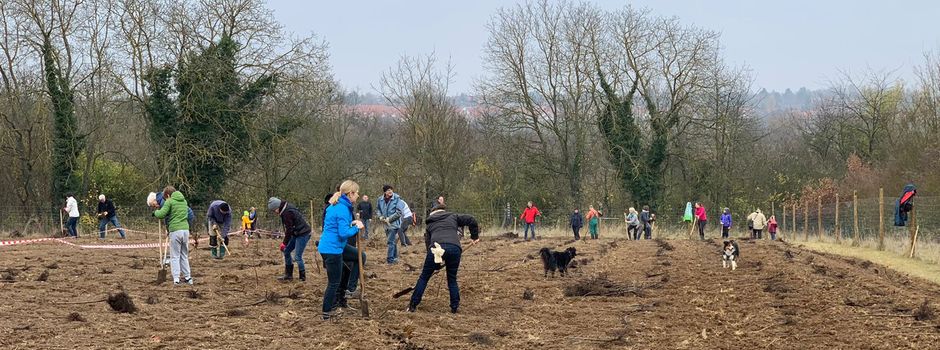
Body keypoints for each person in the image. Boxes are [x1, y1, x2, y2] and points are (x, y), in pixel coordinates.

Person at [407, 202, 480, 314]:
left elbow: (429, 246)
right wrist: (474, 236)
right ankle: (454, 307)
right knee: (452, 278)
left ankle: (412, 305)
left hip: (436, 248)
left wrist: (435, 265)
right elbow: (471, 219)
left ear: (432, 213)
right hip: (454, 248)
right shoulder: (453, 217)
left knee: (424, 277)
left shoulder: (430, 224)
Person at [317, 180, 364, 320]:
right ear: (350, 194)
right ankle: (326, 312)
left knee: (361, 256)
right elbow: (343, 234)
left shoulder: (338, 205)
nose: (358, 196)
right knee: (334, 283)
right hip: (332, 250)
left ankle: (350, 289)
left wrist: (352, 223)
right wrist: (356, 228)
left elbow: (339, 225)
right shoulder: (342, 208)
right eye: (356, 193)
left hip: (336, 246)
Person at [150, 186, 193, 285]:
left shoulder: (169, 201)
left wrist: (155, 212)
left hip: (175, 231)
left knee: (175, 256)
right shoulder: (184, 201)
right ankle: (188, 277)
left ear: (168, 195)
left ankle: (176, 279)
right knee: (184, 255)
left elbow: (161, 214)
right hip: (185, 230)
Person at [268, 197, 312, 282]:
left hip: (303, 234)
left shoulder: (287, 212)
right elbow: (290, 228)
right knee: (287, 251)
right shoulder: (285, 209)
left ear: (277, 207)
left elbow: (289, 229)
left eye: (274, 210)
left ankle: (302, 278)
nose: (274, 212)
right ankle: (288, 275)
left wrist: (284, 243)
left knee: (297, 256)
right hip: (296, 233)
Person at [376, 184, 407, 264]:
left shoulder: (397, 199)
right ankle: (395, 258)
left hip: (394, 224)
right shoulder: (380, 199)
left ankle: (390, 259)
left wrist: (389, 219)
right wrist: (380, 216)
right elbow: (378, 209)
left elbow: (399, 212)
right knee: (392, 241)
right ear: (385, 192)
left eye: (391, 190)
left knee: (390, 242)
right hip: (385, 224)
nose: (390, 191)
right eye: (388, 190)